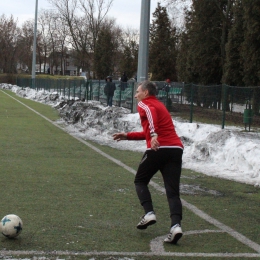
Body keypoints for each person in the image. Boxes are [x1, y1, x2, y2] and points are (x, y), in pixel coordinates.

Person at [112, 80, 184, 244]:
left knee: (140, 180)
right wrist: (128, 135)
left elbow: (150, 117)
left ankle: (149, 213)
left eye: (138, 92)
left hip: (159, 148)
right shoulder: (161, 106)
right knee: (172, 192)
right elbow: (151, 128)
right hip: (175, 149)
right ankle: (176, 226)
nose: (136, 95)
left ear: (145, 93)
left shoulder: (146, 104)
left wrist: (153, 136)